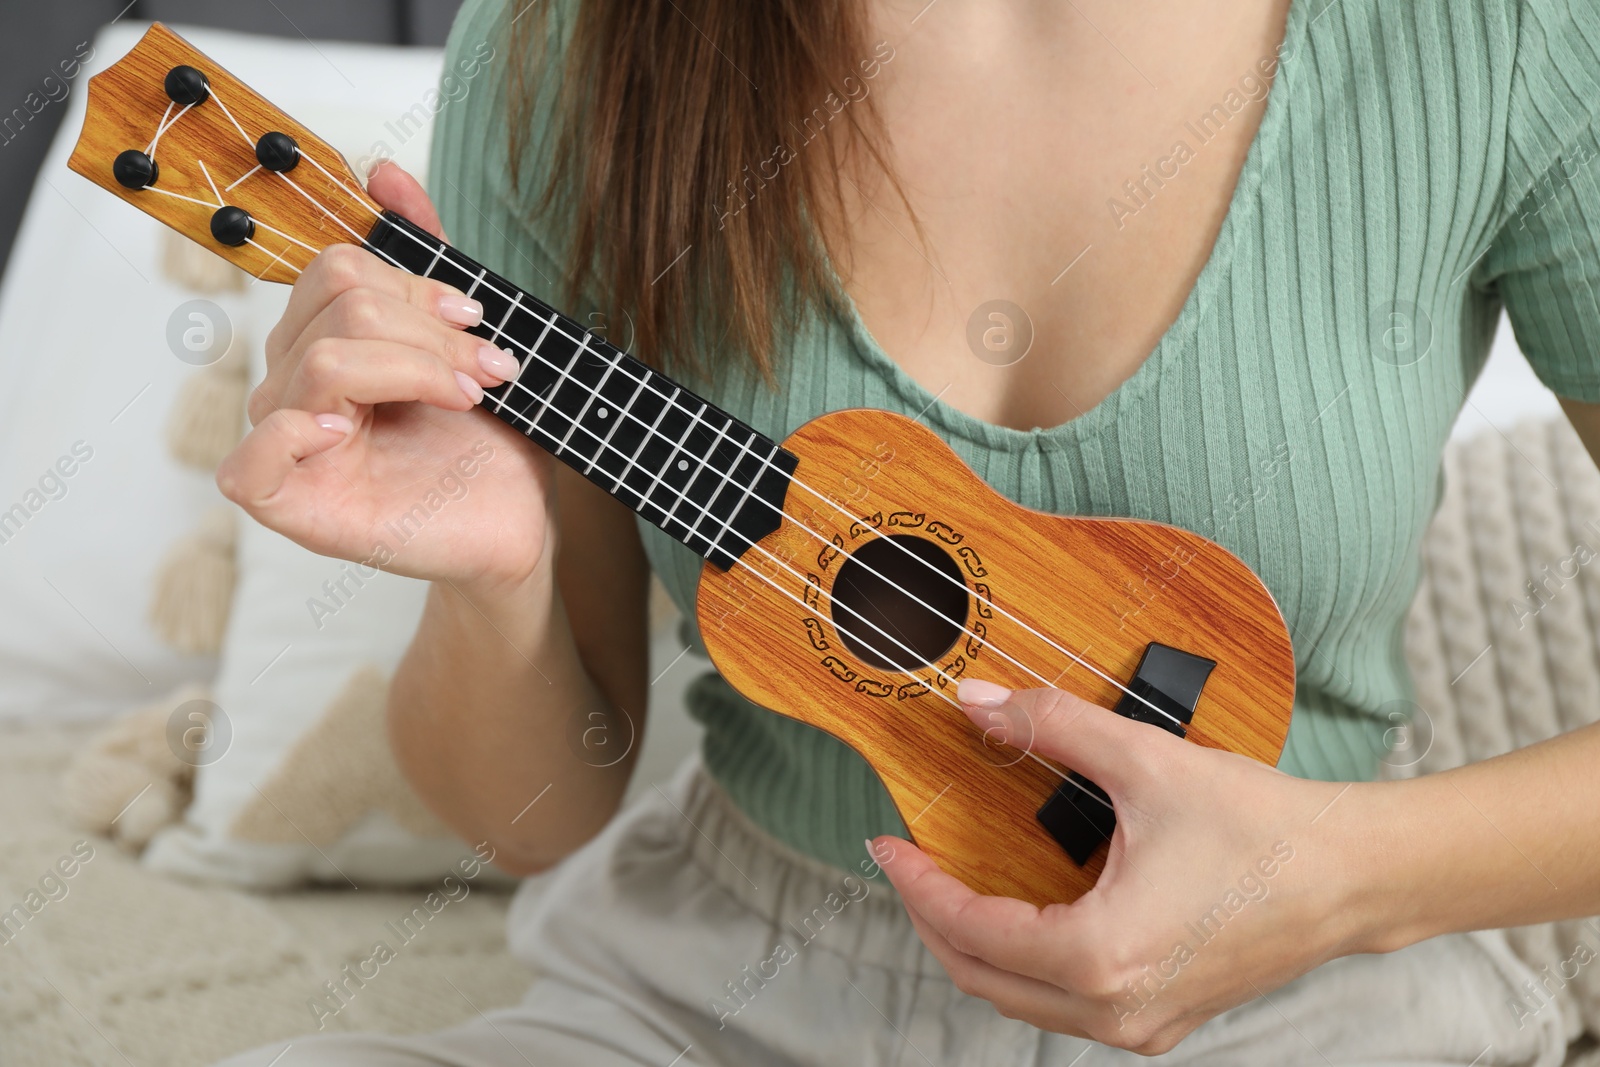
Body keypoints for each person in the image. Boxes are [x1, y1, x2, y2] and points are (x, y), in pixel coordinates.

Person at [215, 0, 1600, 1062]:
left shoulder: (1502, 37)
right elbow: (534, 816)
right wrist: (492, 574)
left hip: (1302, 997)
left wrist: (1336, 885)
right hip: (726, 992)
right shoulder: (571, 42)